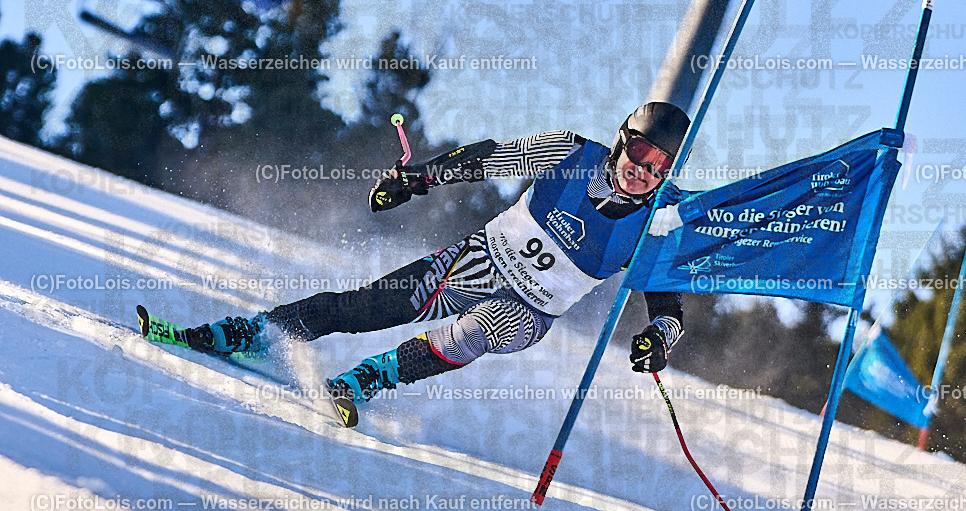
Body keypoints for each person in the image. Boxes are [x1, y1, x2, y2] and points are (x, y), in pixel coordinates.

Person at [185, 102, 691, 425]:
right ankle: (257, 331)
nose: (644, 171)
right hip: (480, 261)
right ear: (623, 138)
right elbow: (489, 159)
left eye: (661, 165)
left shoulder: (655, 222)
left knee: (483, 329)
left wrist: (658, 338)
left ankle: (367, 379)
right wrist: (416, 179)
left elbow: (668, 302)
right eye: (641, 151)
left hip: (530, 310)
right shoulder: (570, 152)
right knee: (371, 307)